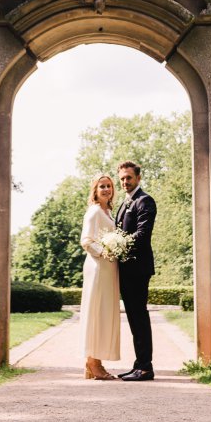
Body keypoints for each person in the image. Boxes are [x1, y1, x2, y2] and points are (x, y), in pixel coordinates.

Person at [115, 160, 156, 381]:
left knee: (139, 316)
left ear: (138, 178)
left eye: (129, 177)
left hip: (138, 269)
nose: (125, 182)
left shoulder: (145, 201)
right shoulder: (124, 203)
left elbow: (142, 235)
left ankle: (146, 367)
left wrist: (116, 245)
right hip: (126, 270)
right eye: (122, 178)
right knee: (133, 317)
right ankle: (139, 364)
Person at [79, 174, 120, 380]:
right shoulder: (94, 212)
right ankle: (92, 363)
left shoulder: (109, 212)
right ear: (95, 190)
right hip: (97, 267)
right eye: (102, 186)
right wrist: (103, 252)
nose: (106, 189)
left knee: (104, 314)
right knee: (96, 312)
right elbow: (86, 241)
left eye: (109, 186)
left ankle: (96, 362)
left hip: (108, 269)